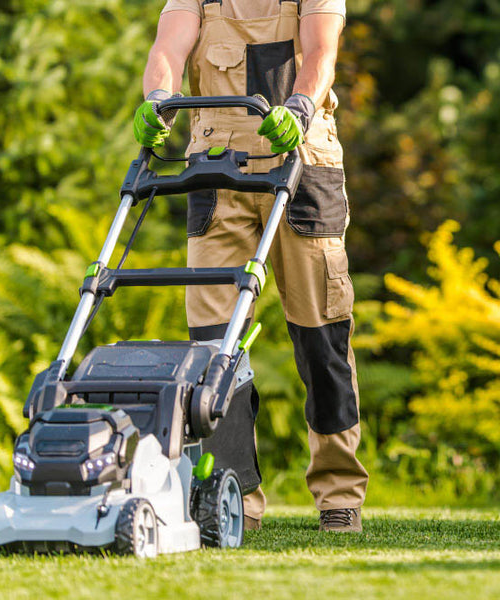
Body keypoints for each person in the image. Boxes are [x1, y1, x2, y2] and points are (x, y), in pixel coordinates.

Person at [134, 0, 368, 533]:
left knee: (321, 334)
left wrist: (302, 106)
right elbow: (167, 49)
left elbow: (319, 53)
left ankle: (339, 493)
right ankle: (233, 493)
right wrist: (158, 99)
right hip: (216, 172)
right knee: (214, 347)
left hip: (302, 166)